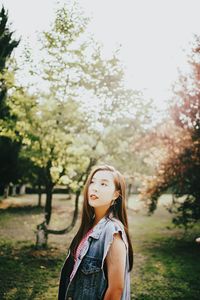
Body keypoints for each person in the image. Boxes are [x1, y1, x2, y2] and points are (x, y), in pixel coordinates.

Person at [58, 165, 133, 300]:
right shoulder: (90, 224)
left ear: (116, 194)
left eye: (104, 184)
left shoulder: (112, 231)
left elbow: (115, 290)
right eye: (92, 182)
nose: (94, 187)